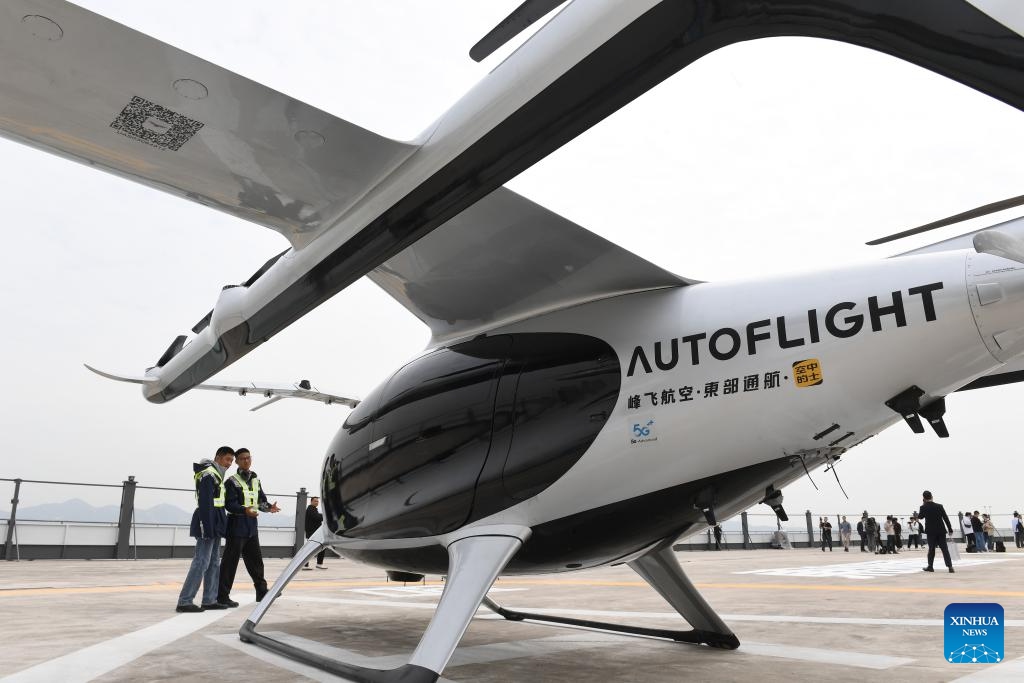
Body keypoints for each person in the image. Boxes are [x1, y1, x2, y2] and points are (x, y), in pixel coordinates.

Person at [217, 448, 280, 605]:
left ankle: (261, 591)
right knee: (229, 563)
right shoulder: (232, 481)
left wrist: (268, 507)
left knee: (256, 561)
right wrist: (245, 510)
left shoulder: (255, 480)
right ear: (237, 462)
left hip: (251, 527)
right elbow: (229, 504)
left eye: (248, 458)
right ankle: (222, 596)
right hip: (236, 526)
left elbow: (261, 501)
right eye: (242, 459)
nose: (246, 461)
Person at [177, 446, 234, 612]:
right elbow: (205, 502)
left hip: (216, 522)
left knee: (214, 562)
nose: (229, 463)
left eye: (231, 460)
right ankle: (185, 601)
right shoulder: (208, 474)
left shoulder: (216, 474)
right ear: (218, 457)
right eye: (227, 459)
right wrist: (207, 527)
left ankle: (209, 600)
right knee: (201, 561)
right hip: (207, 522)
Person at [919, 490, 955, 573]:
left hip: (930, 531)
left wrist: (924, 504)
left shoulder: (923, 507)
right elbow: (945, 518)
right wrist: (950, 529)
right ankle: (950, 567)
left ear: (923, 498)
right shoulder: (939, 506)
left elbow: (920, 517)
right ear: (932, 496)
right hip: (941, 530)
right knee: (944, 549)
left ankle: (930, 567)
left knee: (931, 549)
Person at [304, 496, 327, 570]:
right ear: (311, 502)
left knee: (321, 548)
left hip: (314, 533)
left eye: (317, 501)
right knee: (311, 549)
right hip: (312, 533)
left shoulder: (313, 509)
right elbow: (317, 517)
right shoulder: (310, 509)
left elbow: (317, 517)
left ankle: (319, 564)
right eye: (315, 501)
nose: (317, 502)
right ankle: (306, 564)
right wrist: (325, 516)